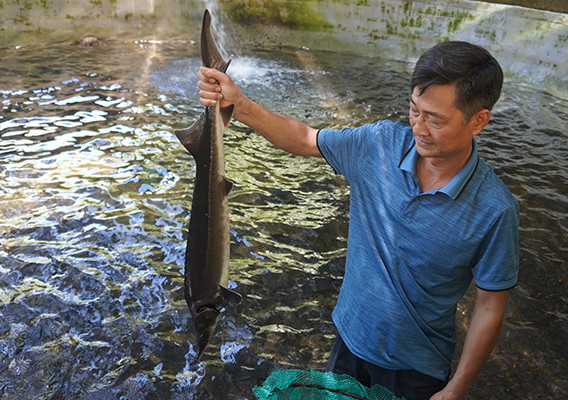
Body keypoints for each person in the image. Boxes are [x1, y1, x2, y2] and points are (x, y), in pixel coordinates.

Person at [197, 41, 519, 400]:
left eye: (435, 119)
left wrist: (458, 387)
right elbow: (305, 138)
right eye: (414, 111)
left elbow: (490, 305)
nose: (419, 128)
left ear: (479, 121)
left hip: (418, 370)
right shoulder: (378, 144)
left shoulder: (495, 210)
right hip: (349, 344)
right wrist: (239, 106)